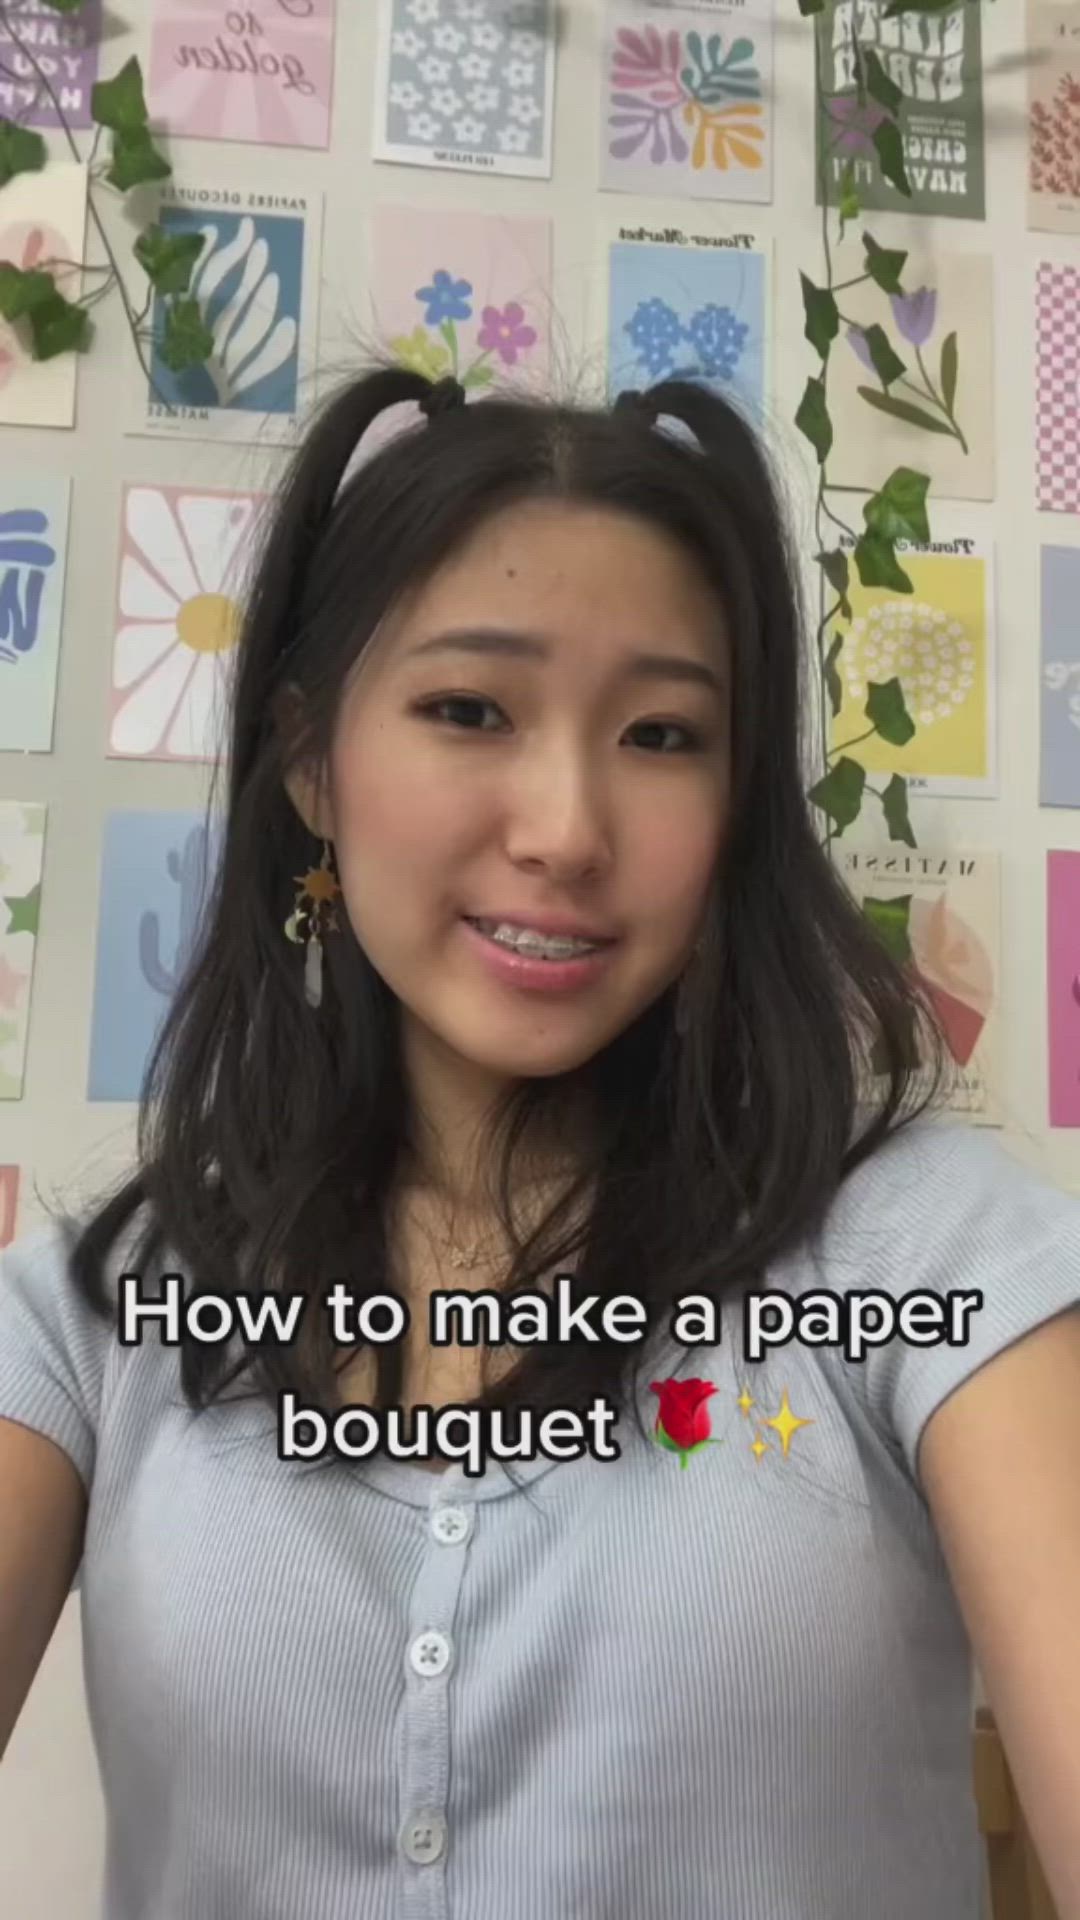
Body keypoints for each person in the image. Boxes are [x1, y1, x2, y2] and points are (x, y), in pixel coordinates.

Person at [1, 365, 1079, 1920]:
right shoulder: (97, 1322)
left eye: (660, 735)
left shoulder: (936, 1265)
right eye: (468, 710)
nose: (569, 828)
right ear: (312, 764)